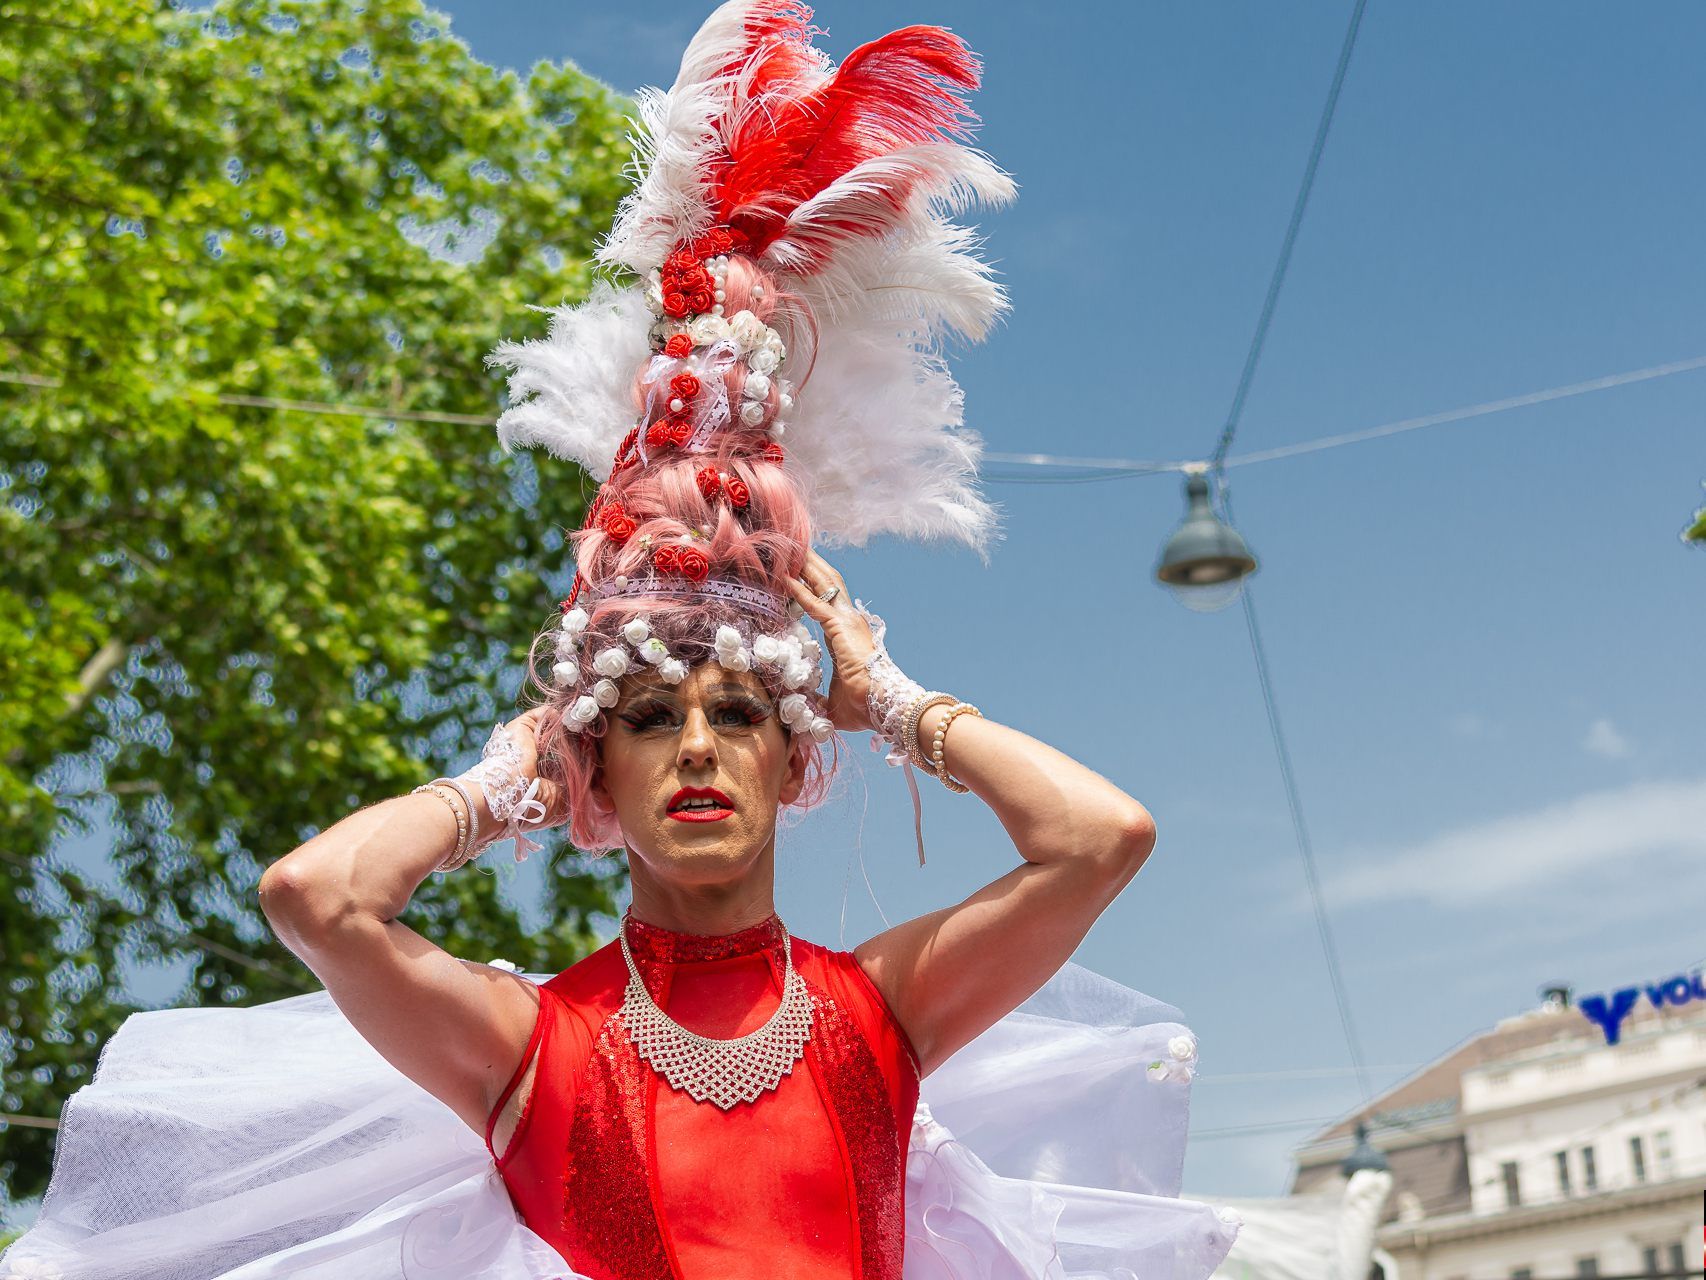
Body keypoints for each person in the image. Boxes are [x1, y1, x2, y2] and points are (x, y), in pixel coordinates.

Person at [1, 2, 1240, 1277]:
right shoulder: (534, 1042)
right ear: (591, 770)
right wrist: (495, 783)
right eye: (649, 715)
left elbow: (1101, 839)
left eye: (738, 714)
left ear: (794, 759)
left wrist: (891, 693)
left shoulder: (875, 1012)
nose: (697, 745)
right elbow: (315, 897)